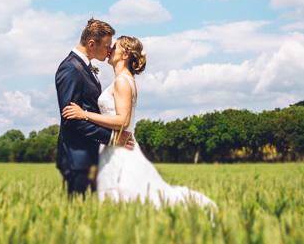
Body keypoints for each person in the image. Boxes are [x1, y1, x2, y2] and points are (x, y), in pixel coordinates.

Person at [62, 35, 217, 209]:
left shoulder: (122, 81)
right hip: (114, 148)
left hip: (121, 151)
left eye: (116, 47)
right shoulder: (122, 79)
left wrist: (85, 115)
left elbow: (122, 121)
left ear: (125, 55)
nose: (110, 49)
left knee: (128, 199)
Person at [55, 19, 134, 197]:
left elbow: (85, 111)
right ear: (92, 44)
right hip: (77, 158)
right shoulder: (70, 68)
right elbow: (70, 119)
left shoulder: (85, 67)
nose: (109, 50)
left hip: (90, 156)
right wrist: (112, 138)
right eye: (107, 45)